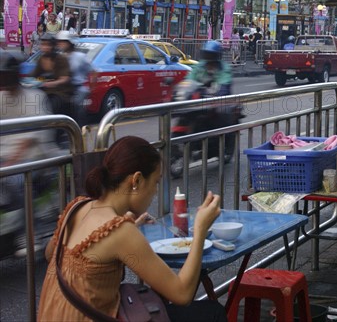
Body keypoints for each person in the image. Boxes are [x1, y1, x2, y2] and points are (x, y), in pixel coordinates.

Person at [38, 136, 226, 321]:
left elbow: (50, 254)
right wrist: (200, 229)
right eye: (156, 182)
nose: (155, 191)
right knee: (213, 312)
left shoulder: (76, 208)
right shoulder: (120, 232)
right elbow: (182, 294)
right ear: (136, 180)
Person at [0, 51, 57, 256]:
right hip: (5, 158)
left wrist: (11, 163)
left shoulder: (34, 97)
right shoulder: (1, 98)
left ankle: (28, 233)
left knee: (16, 181)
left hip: (35, 158)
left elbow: (33, 137)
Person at [30, 34, 73, 116]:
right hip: (45, 91)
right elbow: (34, 74)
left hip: (60, 92)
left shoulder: (61, 58)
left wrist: (51, 83)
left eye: (48, 45)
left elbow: (65, 78)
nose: (45, 47)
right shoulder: (42, 59)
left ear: (53, 46)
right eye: (43, 44)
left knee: (50, 107)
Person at [56, 31, 92, 125]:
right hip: (64, 87)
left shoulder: (80, 57)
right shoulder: (59, 57)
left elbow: (94, 71)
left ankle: (80, 128)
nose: (60, 44)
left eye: (63, 41)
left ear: (69, 43)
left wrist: (92, 87)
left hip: (78, 87)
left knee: (76, 105)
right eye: (59, 41)